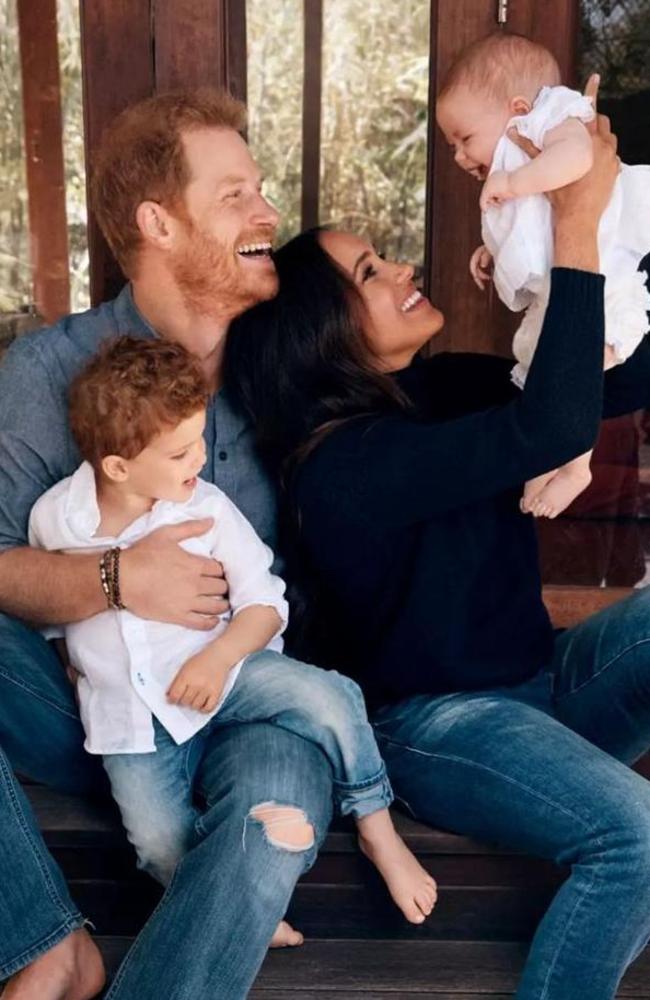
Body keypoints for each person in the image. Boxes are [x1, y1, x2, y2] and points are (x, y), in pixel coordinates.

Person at [225, 110, 650, 1000]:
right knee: (634, 837)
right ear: (318, 333)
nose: (402, 268)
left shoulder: (441, 387)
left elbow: (604, 385)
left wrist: (592, 245)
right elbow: (553, 424)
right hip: (440, 729)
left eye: (383, 256)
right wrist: (570, 216)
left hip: (539, 690)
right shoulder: (342, 466)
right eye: (369, 273)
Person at [0, 88, 336, 1000]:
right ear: (158, 221)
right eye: (235, 195)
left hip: (251, 698)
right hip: (99, 714)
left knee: (274, 824)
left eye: (259, 190)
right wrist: (115, 578)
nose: (268, 213)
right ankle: (44, 944)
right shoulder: (45, 373)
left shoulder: (291, 358)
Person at [28, 334, 437, 925]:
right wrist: (71, 658)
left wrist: (217, 660)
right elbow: (53, 608)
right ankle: (230, 905)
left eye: (199, 440)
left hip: (229, 668)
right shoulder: (56, 519)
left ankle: (376, 827)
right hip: (131, 719)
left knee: (331, 697)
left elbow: (266, 605)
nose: (198, 459)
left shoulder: (207, 508)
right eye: (178, 453)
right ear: (118, 466)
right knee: (154, 840)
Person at [435, 33, 650, 519]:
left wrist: (512, 182)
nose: (459, 157)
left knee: (575, 372)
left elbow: (578, 161)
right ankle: (548, 458)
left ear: (516, 108)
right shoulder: (524, 157)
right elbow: (533, 228)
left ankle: (576, 467)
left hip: (606, 284)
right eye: (452, 146)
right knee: (545, 376)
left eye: (465, 139)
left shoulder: (556, 117)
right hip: (561, 292)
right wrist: (491, 251)